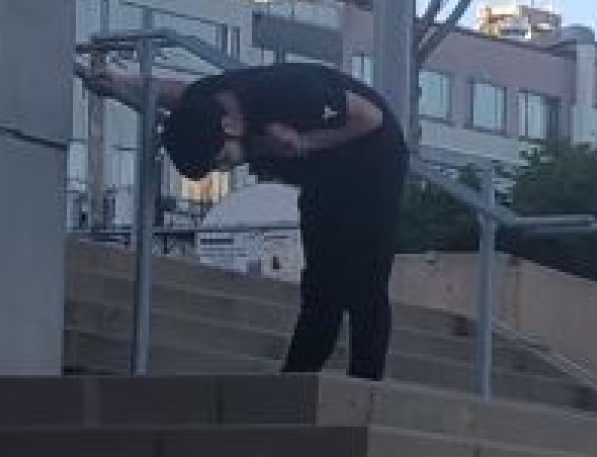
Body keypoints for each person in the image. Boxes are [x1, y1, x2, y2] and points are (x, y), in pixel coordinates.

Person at [82, 60, 409, 380]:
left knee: (363, 283)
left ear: (229, 127)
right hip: (322, 175)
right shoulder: (207, 102)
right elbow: (178, 94)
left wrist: (305, 142)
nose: (225, 169)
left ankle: (367, 386)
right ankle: (294, 383)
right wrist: (122, 83)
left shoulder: (292, 92)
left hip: (372, 158)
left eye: (223, 159)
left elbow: (371, 118)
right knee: (321, 286)